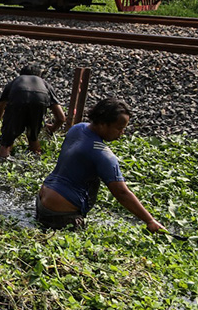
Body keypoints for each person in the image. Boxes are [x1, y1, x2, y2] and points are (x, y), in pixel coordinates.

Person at [37, 97, 165, 232]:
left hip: (42, 201)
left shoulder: (77, 128)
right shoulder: (103, 155)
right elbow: (121, 192)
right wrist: (150, 220)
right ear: (103, 124)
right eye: (119, 128)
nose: (122, 133)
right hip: (60, 213)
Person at [0, 63, 66, 160]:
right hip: (40, 98)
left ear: (21, 75)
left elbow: (0, 109)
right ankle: (36, 161)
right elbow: (61, 118)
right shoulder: (45, 84)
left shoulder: (14, 82)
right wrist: (52, 129)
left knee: (7, 141)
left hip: (18, 96)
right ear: (39, 76)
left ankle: (2, 160)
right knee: (33, 136)